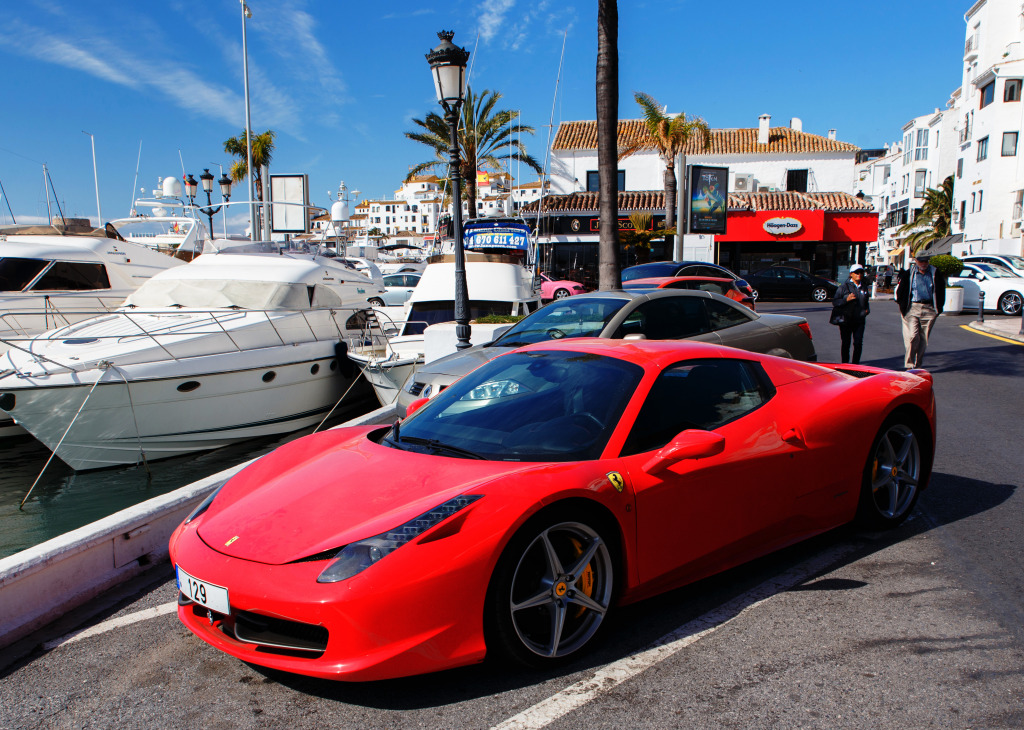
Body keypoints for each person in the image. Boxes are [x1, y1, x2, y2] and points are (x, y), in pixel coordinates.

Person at [895, 254, 946, 369]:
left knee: (924, 339)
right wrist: (903, 307)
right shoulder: (910, 273)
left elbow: (941, 290)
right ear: (916, 261)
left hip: (929, 309)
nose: (924, 264)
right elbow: (901, 291)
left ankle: (917, 365)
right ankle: (909, 364)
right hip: (913, 307)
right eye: (921, 261)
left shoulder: (935, 273)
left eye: (926, 261)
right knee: (913, 336)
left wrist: (938, 309)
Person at [832, 263, 871, 363]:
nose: (859, 274)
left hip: (859, 320)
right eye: (856, 272)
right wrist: (846, 299)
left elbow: (866, 301)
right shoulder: (844, 287)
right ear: (851, 274)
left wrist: (867, 310)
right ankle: (845, 364)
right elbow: (835, 302)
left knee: (858, 343)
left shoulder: (864, 287)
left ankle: (856, 364)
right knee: (846, 343)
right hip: (846, 320)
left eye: (861, 272)